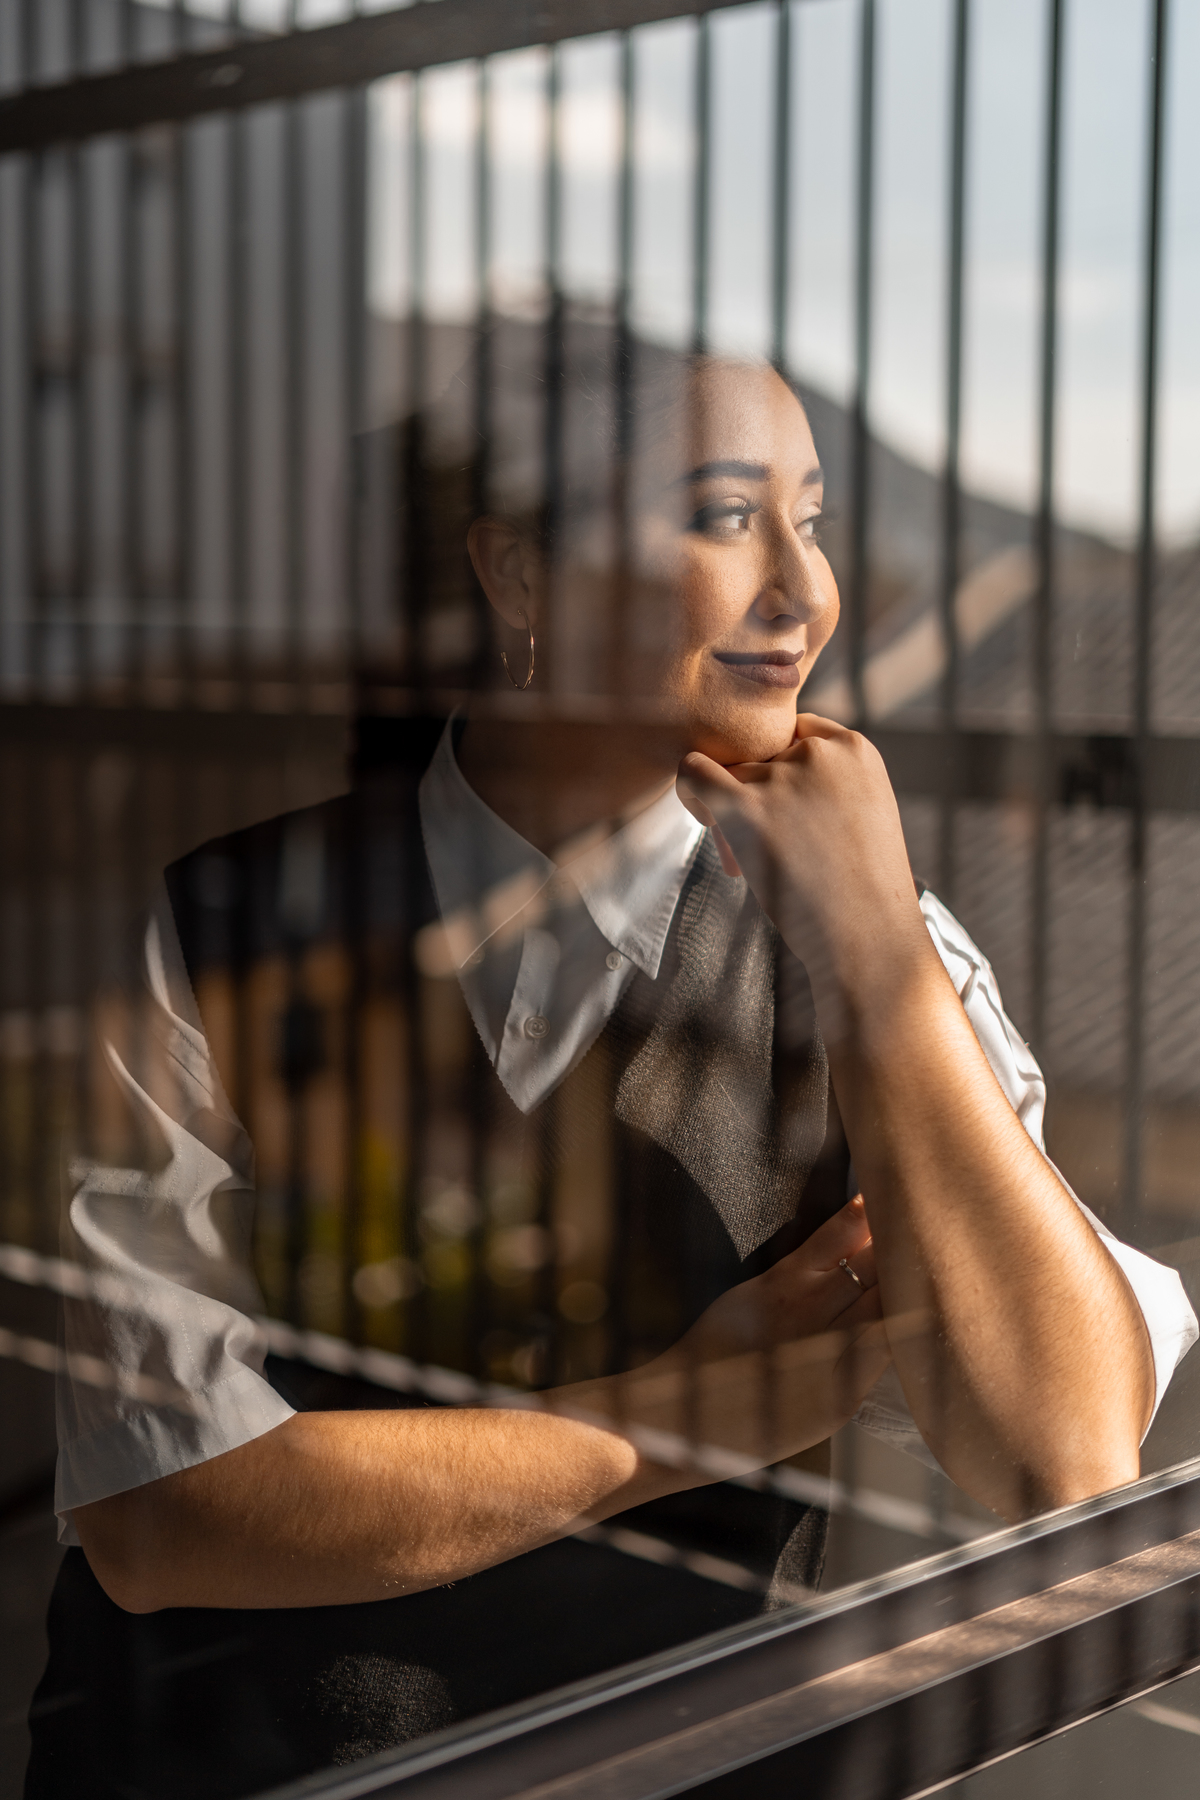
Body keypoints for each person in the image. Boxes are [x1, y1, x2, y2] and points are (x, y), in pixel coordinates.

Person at [27, 354, 1196, 1798]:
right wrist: (686, 1421)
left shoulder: (886, 954)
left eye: (813, 522)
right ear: (522, 575)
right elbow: (160, 1516)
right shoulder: (216, 928)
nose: (807, 593)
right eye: (726, 517)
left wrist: (881, 959)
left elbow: (1067, 1462)